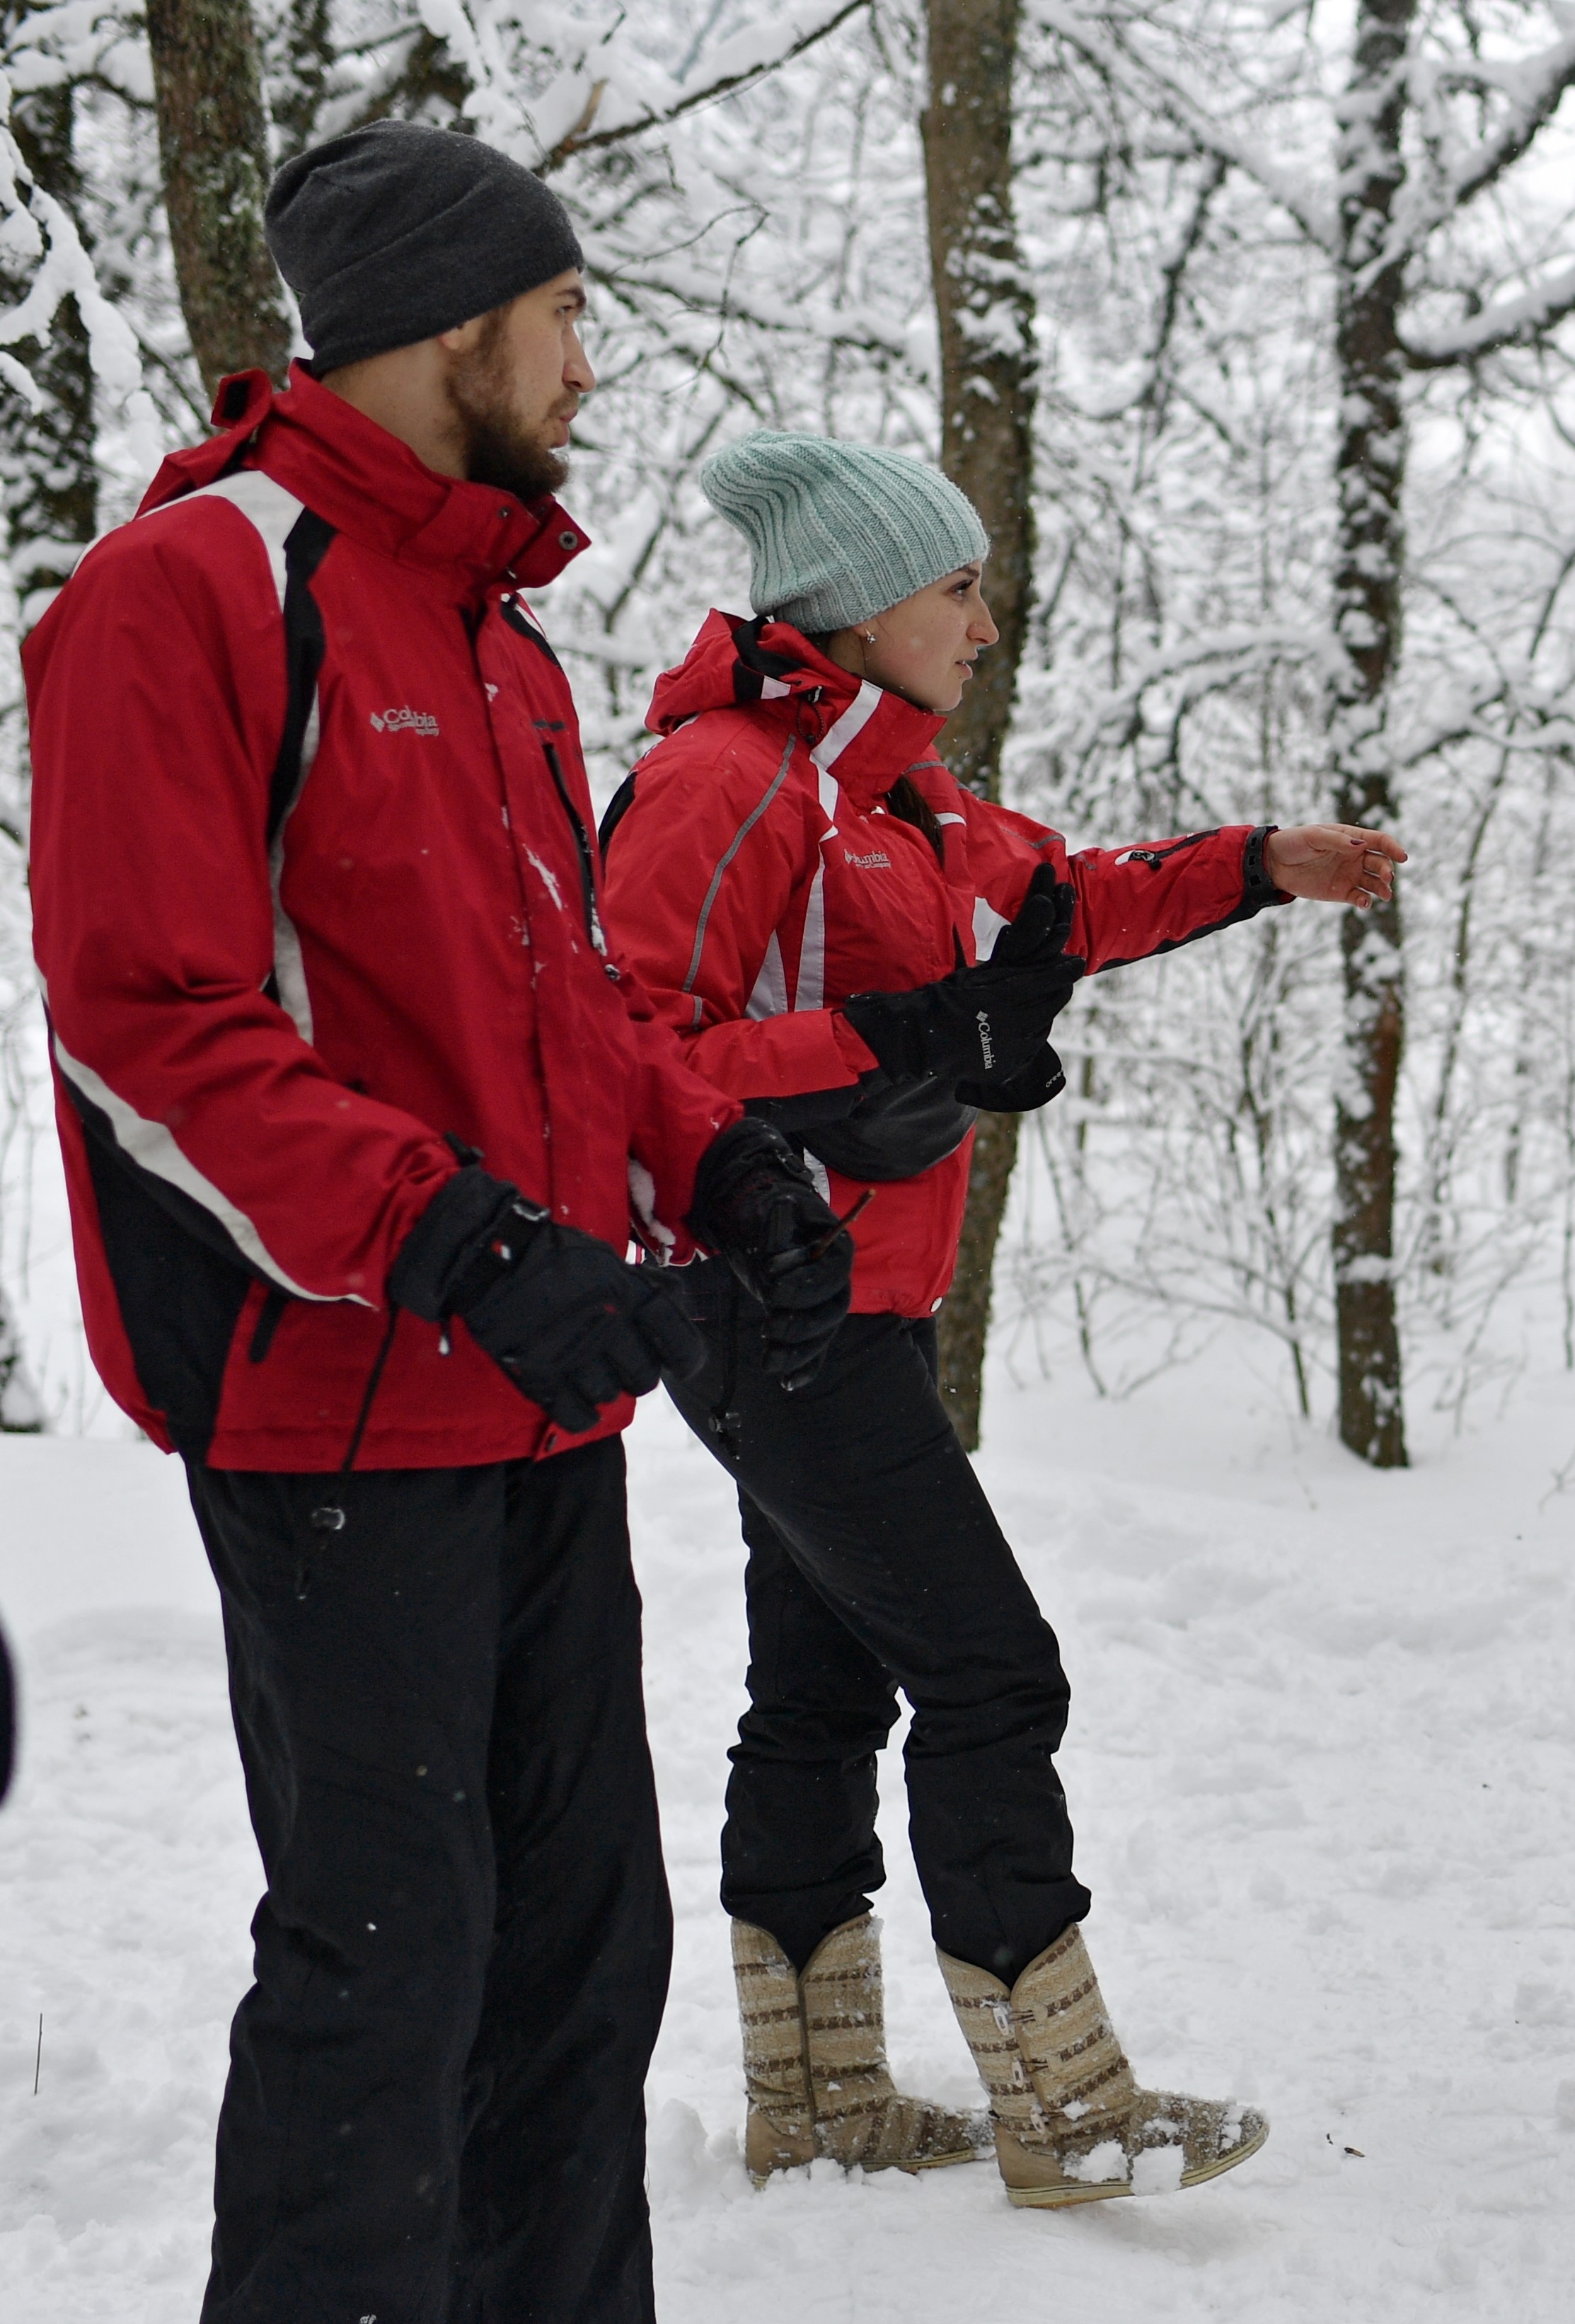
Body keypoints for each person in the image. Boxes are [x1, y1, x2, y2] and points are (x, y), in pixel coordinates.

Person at [23, 122, 853, 2320]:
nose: (591, 361)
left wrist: (710, 1156)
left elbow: (555, 1005)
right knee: (390, 1971)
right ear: (452, 322)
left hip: (532, 1411)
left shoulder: (497, 643)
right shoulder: (192, 588)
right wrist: (461, 1242)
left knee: (587, 1958)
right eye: (565, 314)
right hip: (330, 1401)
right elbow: (148, 1018)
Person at [596, 429, 1404, 2206]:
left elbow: (1071, 903)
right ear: (859, 607)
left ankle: (815, 2100)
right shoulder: (726, 782)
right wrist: (906, 1045)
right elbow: (635, 1051)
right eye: (957, 586)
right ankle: (1065, 2101)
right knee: (990, 1669)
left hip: (857, 1307)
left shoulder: (903, 800)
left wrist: (1268, 861)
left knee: (818, 1689)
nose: (987, 617)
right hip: (761, 1305)